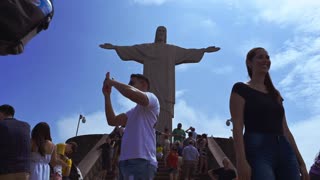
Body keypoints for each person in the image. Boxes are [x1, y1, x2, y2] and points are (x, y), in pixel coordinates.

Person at [100, 26, 220, 133]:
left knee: (162, 112)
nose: (161, 33)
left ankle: (161, 141)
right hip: (151, 86)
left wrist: (203, 50)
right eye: (159, 30)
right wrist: (116, 47)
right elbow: (132, 50)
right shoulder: (147, 48)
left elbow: (187, 53)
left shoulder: (172, 50)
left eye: (163, 31)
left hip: (166, 89)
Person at [229, 47, 309, 180]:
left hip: (285, 149)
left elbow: (286, 130)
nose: (265, 60)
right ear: (249, 63)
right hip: (257, 148)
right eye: (260, 57)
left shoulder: (275, 94)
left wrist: (301, 162)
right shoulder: (240, 89)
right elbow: (237, 126)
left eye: (267, 57)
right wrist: (241, 161)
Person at [102, 72, 160, 179]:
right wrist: (107, 96)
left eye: (132, 83)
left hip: (143, 161)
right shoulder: (133, 112)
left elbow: (131, 93)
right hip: (125, 162)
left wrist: (113, 83)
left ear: (144, 85)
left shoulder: (152, 98)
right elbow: (112, 121)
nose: (129, 85)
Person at [0, 104, 31, 180]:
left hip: (5, 171)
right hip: (24, 172)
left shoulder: (1, 125)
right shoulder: (26, 126)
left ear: (1, 113)